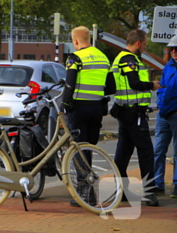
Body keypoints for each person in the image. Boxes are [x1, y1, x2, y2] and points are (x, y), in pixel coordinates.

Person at [62, 26, 113, 207]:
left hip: (79, 109)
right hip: (97, 109)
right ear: (88, 39)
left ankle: (85, 193)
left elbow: (69, 85)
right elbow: (111, 87)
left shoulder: (75, 58)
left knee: (77, 149)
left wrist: (64, 106)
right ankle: (90, 191)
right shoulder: (103, 57)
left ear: (75, 41)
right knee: (88, 148)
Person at [110, 29, 161, 206]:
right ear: (138, 43)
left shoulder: (124, 58)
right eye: (145, 44)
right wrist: (152, 85)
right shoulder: (128, 59)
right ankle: (150, 192)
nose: (145, 48)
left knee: (123, 153)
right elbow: (135, 83)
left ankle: (121, 189)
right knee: (146, 151)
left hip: (126, 111)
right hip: (132, 113)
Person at [153, 35, 177, 198]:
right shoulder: (169, 66)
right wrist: (160, 103)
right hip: (164, 114)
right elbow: (162, 87)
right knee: (158, 150)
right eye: (172, 49)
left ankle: (176, 184)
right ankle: (157, 183)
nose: (174, 51)